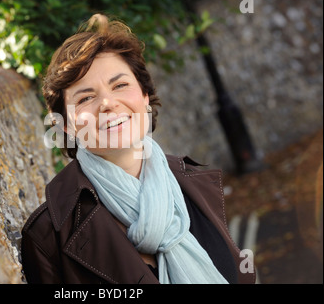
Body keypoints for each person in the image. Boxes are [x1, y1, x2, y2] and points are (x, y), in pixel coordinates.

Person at [21, 14, 256, 284]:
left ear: (144, 96)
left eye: (120, 85)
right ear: (65, 126)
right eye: (86, 97)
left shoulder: (193, 181)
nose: (108, 103)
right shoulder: (48, 236)